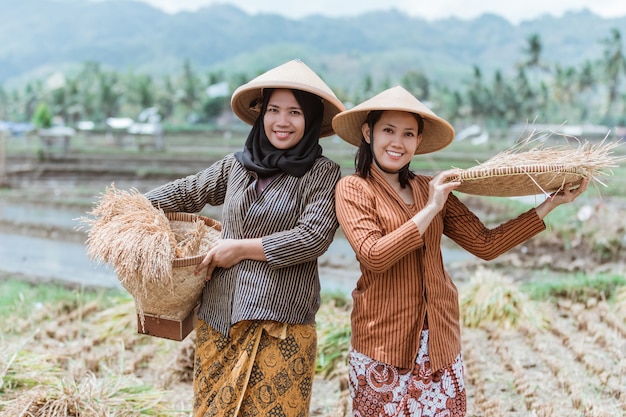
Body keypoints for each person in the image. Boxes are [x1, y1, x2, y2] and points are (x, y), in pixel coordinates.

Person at [331, 85, 589, 416]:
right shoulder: (354, 188)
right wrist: (431, 208)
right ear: (368, 133)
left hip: (439, 343)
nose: (398, 142)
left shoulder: (430, 187)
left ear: (418, 141)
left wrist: (547, 206)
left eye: (408, 134)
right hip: (383, 345)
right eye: (388, 131)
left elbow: (486, 244)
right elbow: (374, 256)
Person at [144, 59, 345, 416]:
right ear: (261, 114)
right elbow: (189, 191)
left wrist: (239, 250)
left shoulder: (322, 173)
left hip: (281, 324)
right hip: (219, 319)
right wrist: (133, 206)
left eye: (295, 112)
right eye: (274, 110)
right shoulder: (235, 167)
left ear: (310, 119)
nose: (282, 121)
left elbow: (312, 237)